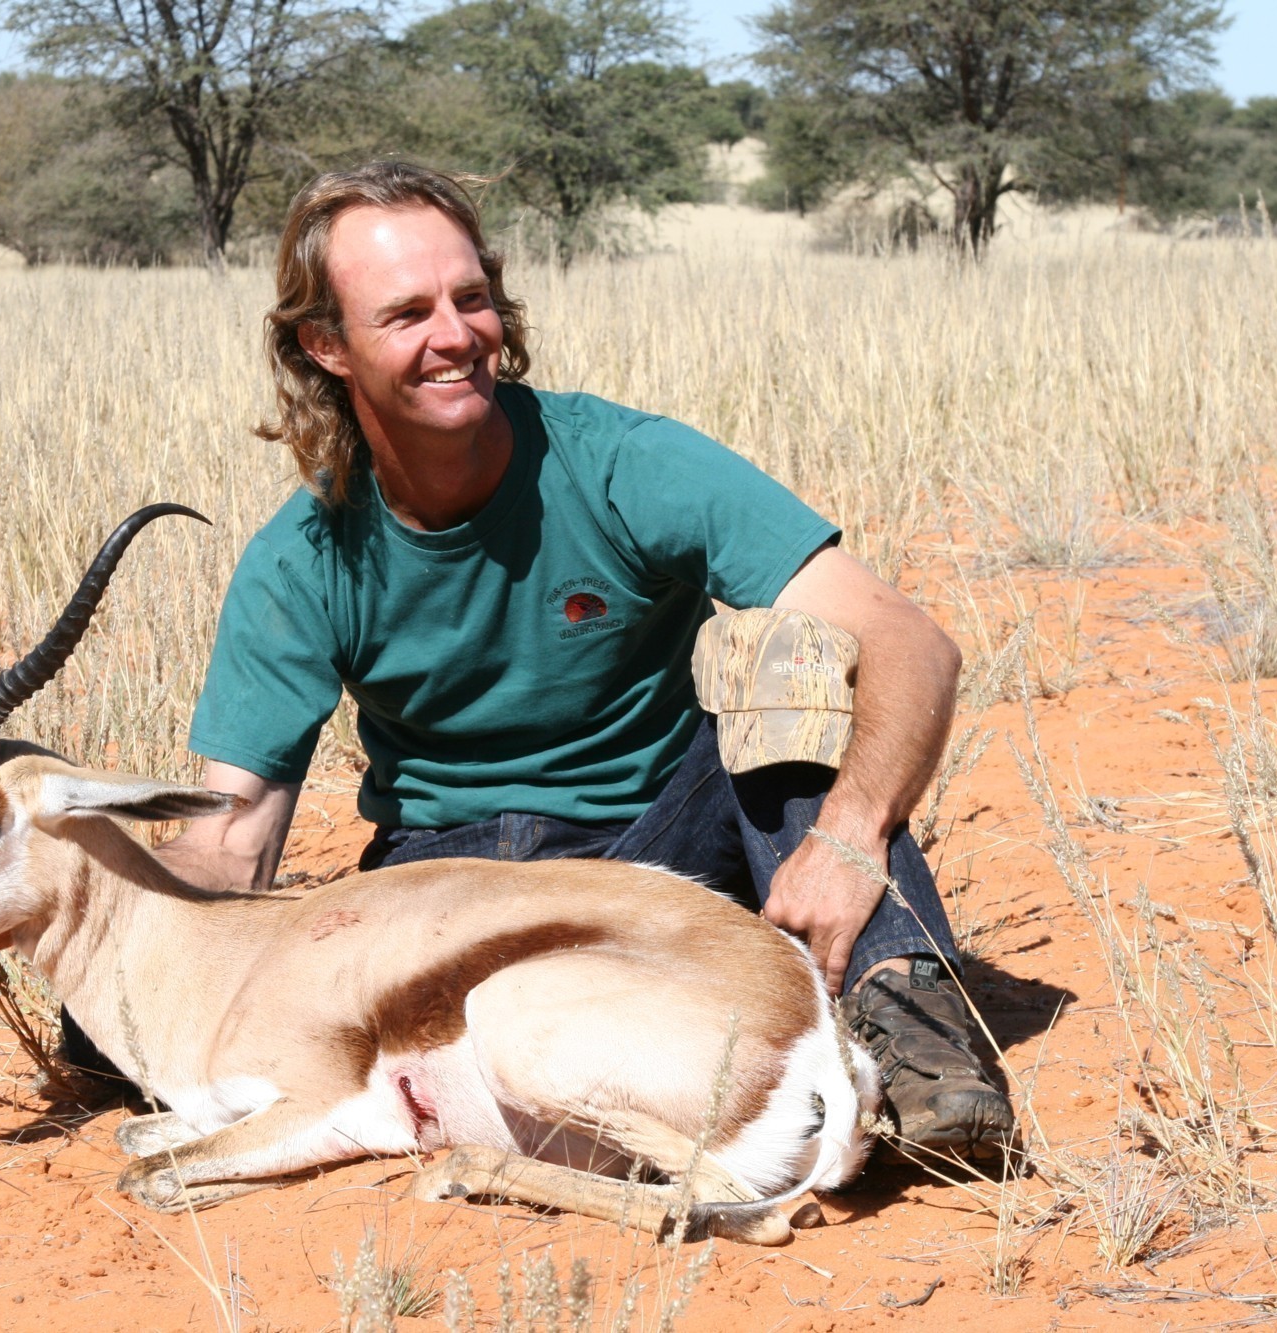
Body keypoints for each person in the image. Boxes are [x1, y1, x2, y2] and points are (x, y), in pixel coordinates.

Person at [151, 161, 1014, 1159]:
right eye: (405, 314)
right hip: (447, 888)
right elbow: (230, 843)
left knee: (789, 669)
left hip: (663, 851)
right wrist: (81, 898)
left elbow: (911, 642)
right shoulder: (300, 558)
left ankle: (907, 1022)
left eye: (469, 298)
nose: (453, 336)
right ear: (326, 345)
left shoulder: (621, 463)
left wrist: (850, 839)